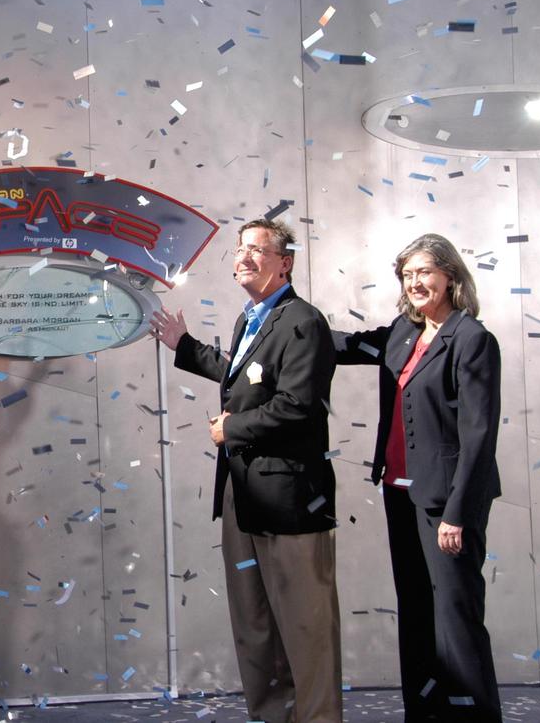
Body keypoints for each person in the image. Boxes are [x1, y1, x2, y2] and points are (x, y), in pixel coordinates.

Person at [150, 218, 341, 723]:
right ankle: (272, 715)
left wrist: (232, 429)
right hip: (241, 494)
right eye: (240, 249)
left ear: (286, 262)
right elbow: (244, 371)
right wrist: (184, 346)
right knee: (254, 623)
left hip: (290, 500)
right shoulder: (252, 318)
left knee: (305, 626)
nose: (244, 257)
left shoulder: (304, 321)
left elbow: (299, 404)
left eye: (258, 249)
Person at [333, 234, 502, 722]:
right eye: (407, 275)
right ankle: (424, 714)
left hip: (446, 504)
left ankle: (475, 717)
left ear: (450, 275)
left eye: (424, 272)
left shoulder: (472, 339)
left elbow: (479, 436)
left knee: (456, 618)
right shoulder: (402, 334)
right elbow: (341, 345)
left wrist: (457, 514)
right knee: (417, 614)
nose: (415, 283)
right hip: (399, 495)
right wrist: (289, 324)